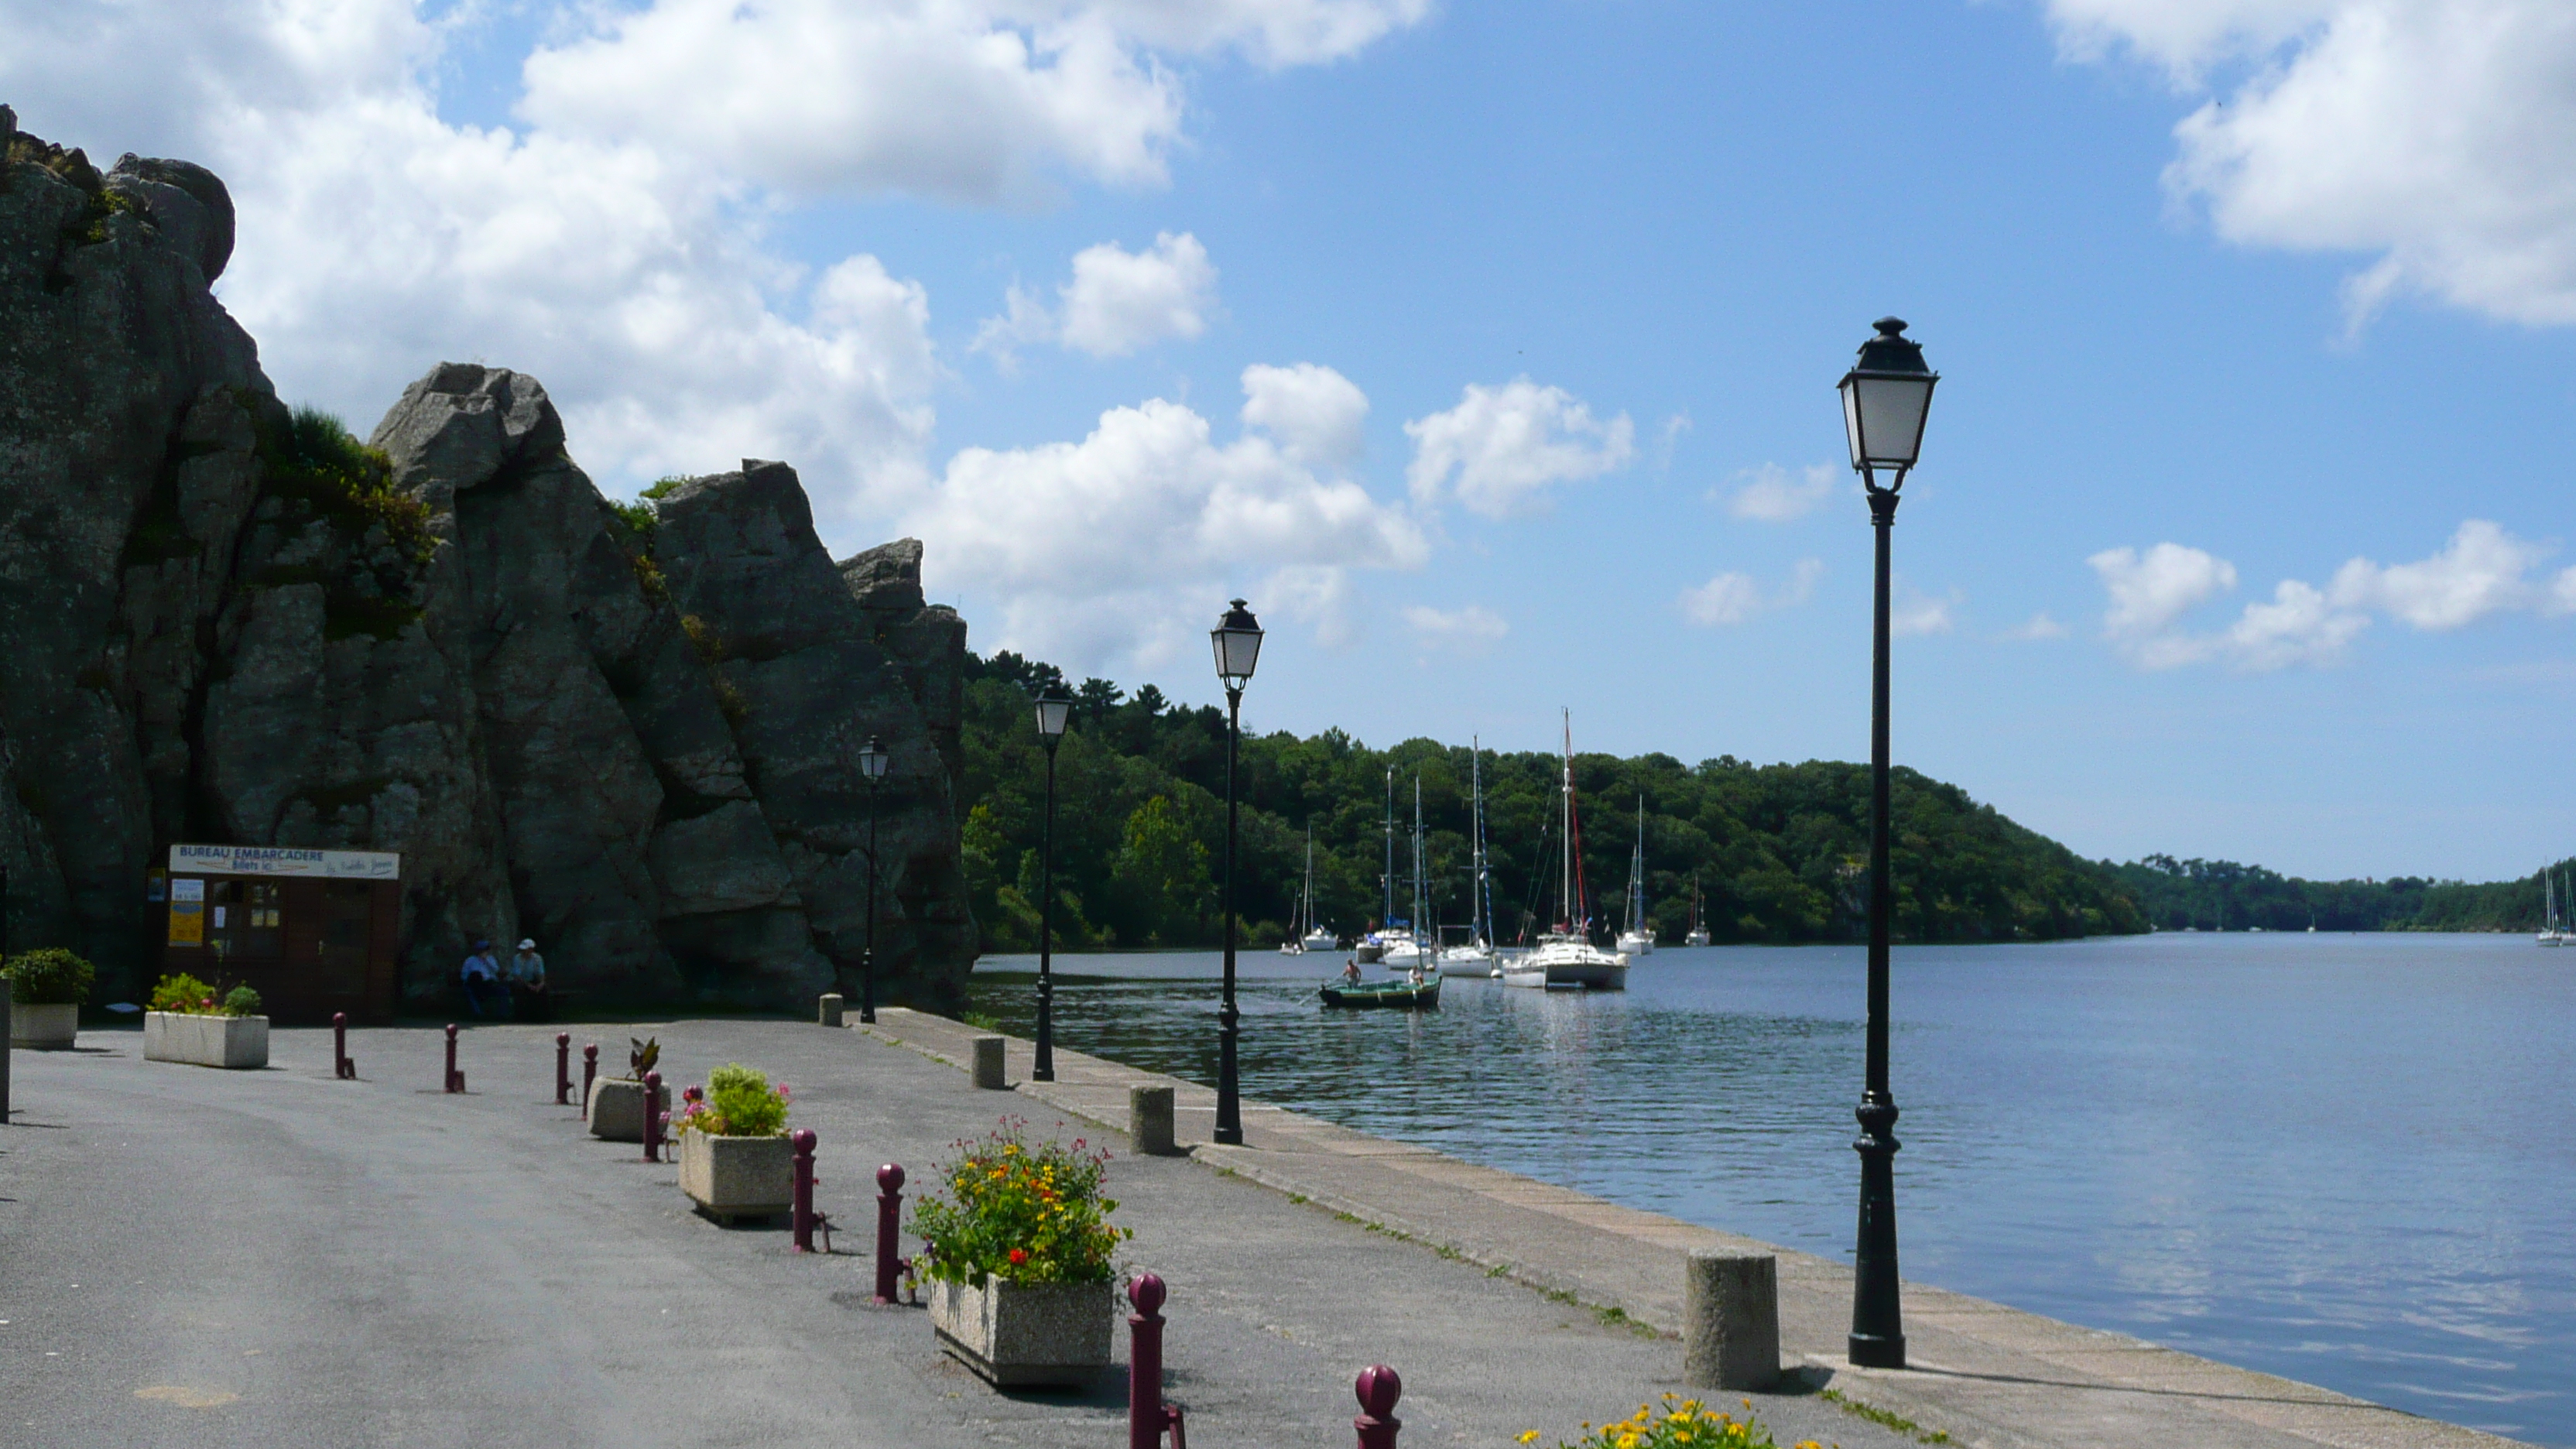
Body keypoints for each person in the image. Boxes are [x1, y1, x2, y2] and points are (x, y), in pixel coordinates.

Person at [506, 938, 552, 1023]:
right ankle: (521, 1017)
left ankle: (544, 1017)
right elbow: (517, 975)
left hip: (531, 980)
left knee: (544, 989)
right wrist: (529, 986)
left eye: (526, 949)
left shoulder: (537, 958)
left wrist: (541, 984)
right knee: (520, 989)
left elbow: (540, 973)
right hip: (518, 981)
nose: (523, 952)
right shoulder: (517, 958)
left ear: (531, 950)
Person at [460, 940, 505, 1019]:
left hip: (488, 983)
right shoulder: (470, 960)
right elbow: (464, 975)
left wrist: (486, 960)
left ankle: (502, 1015)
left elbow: (496, 970)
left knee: (504, 990)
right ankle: (478, 1014)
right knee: (469, 989)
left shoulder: (491, 959)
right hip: (475, 983)